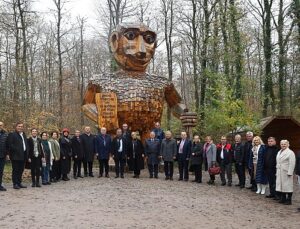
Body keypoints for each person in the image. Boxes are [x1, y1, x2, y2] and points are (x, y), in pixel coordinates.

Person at [7, 122, 28, 189]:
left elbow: (25, 144)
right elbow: (10, 145)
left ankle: (19, 183)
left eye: (21, 126)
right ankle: (15, 184)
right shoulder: (12, 134)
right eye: (19, 126)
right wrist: (17, 150)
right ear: (16, 127)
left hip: (23, 155)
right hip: (15, 156)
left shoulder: (23, 134)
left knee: (21, 170)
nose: (20, 127)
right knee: (15, 170)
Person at [276, 140, 296, 205]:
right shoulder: (279, 152)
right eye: (282, 144)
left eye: (285, 144)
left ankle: (289, 200)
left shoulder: (290, 152)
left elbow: (292, 163)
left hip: (286, 172)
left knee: (288, 186)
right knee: (282, 185)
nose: (283, 145)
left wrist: (290, 172)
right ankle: (283, 198)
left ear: (288, 144)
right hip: (279, 171)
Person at [0, 121, 8, 191]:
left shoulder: (5, 134)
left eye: (1, 125)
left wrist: (7, 154)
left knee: (1, 171)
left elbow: (7, 145)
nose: (0, 126)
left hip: (2, 156)